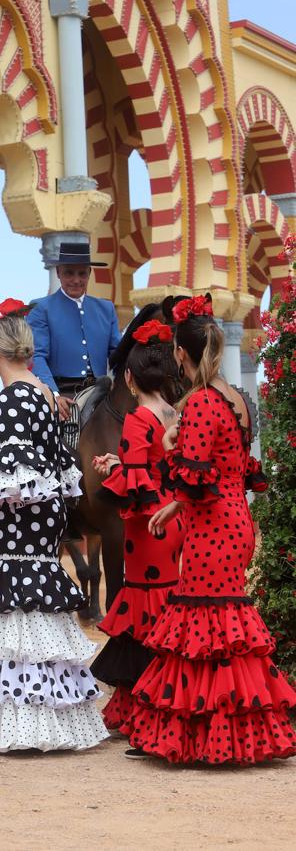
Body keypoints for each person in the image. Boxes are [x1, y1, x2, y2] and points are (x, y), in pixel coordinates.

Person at [123, 296, 296, 764]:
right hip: (237, 521)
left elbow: (195, 475)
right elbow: (228, 471)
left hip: (211, 529)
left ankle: (205, 737)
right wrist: (176, 505)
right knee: (228, 628)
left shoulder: (198, 402)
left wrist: (165, 443)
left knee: (204, 627)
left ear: (181, 352)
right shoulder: (236, 397)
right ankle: (241, 732)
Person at [0, 300, 109, 752]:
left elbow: (18, 473)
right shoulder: (40, 390)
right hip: (44, 517)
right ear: (30, 355)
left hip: (23, 518)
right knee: (36, 612)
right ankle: (48, 723)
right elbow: (45, 459)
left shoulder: (13, 396)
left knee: (19, 614)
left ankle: (25, 727)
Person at [90, 320, 184, 732]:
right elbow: (155, 467)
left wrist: (119, 468)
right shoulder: (175, 413)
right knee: (168, 604)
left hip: (148, 526)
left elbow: (135, 479)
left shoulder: (135, 418)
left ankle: (150, 710)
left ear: (128, 378)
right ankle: (169, 697)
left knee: (145, 610)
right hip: (175, 517)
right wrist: (118, 464)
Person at [27, 242, 122, 421]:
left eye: (82, 273)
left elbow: (118, 353)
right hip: (61, 393)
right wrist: (53, 395)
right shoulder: (41, 308)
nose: (76, 280)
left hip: (101, 393)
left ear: (90, 273)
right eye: (69, 273)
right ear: (58, 272)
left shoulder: (105, 308)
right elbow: (37, 356)